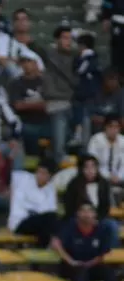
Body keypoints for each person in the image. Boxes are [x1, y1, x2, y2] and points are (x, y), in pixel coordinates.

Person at [52, 203, 118, 281]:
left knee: (109, 272)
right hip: (71, 266)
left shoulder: (101, 229)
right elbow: (55, 243)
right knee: (81, 273)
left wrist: (90, 263)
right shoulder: (70, 226)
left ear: (95, 214)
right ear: (77, 214)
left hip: (92, 264)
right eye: (83, 211)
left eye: (89, 211)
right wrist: (71, 261)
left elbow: (103, 253)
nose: (86, 214)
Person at [41, 26, 77, 165]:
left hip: (72, 103)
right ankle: (58, 157)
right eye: (65, 38)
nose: (69, 41)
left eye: (71, 38)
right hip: (56, 103)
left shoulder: (76, 58)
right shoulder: (49, 57)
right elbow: (49, 91)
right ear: (57, 40)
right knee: (59, 115)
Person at [8, 160, 58, 247]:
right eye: (38, 172)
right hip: (20, 222)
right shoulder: (23, 178)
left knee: (51, 221)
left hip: (38, 223)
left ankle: (40, 251)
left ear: (50, 176)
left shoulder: (51, 189)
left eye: (43, 173)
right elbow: (6, 174)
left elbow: (50, 211)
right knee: (50, 220)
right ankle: (41, 250)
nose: (39, 175)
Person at [64, 155, 114, 228]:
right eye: (86, 167)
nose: (90, 170)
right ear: (81, 169)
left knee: (112, 225)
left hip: (98, 219)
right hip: (78, 219)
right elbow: (69, 207)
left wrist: (96, 219)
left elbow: (105, 207)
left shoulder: (104, 183)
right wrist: (82, 218)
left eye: (93, 167)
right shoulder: (73, 184)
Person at [86, 114, 124, 193]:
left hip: (119, 178)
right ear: (105, 127)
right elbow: (93, 163)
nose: (113, 130)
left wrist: (119, 177)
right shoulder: (96, 140)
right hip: (100, 177)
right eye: (111, 127)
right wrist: (108, 177)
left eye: (116, 127)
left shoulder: (122, 141)